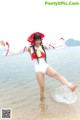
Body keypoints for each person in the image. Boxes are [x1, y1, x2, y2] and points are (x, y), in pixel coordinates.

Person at [27, 32, 77, 101]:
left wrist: (60, 42)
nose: (38, 41)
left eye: (39, 39)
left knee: (57, 75)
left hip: (45, 66)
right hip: (38, 69)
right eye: (36, 40)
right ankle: (42, 103)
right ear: (34, 40)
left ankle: (70, 87)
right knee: (42, 88)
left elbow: (53, 46)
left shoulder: (43, 46)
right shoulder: (30, 48)